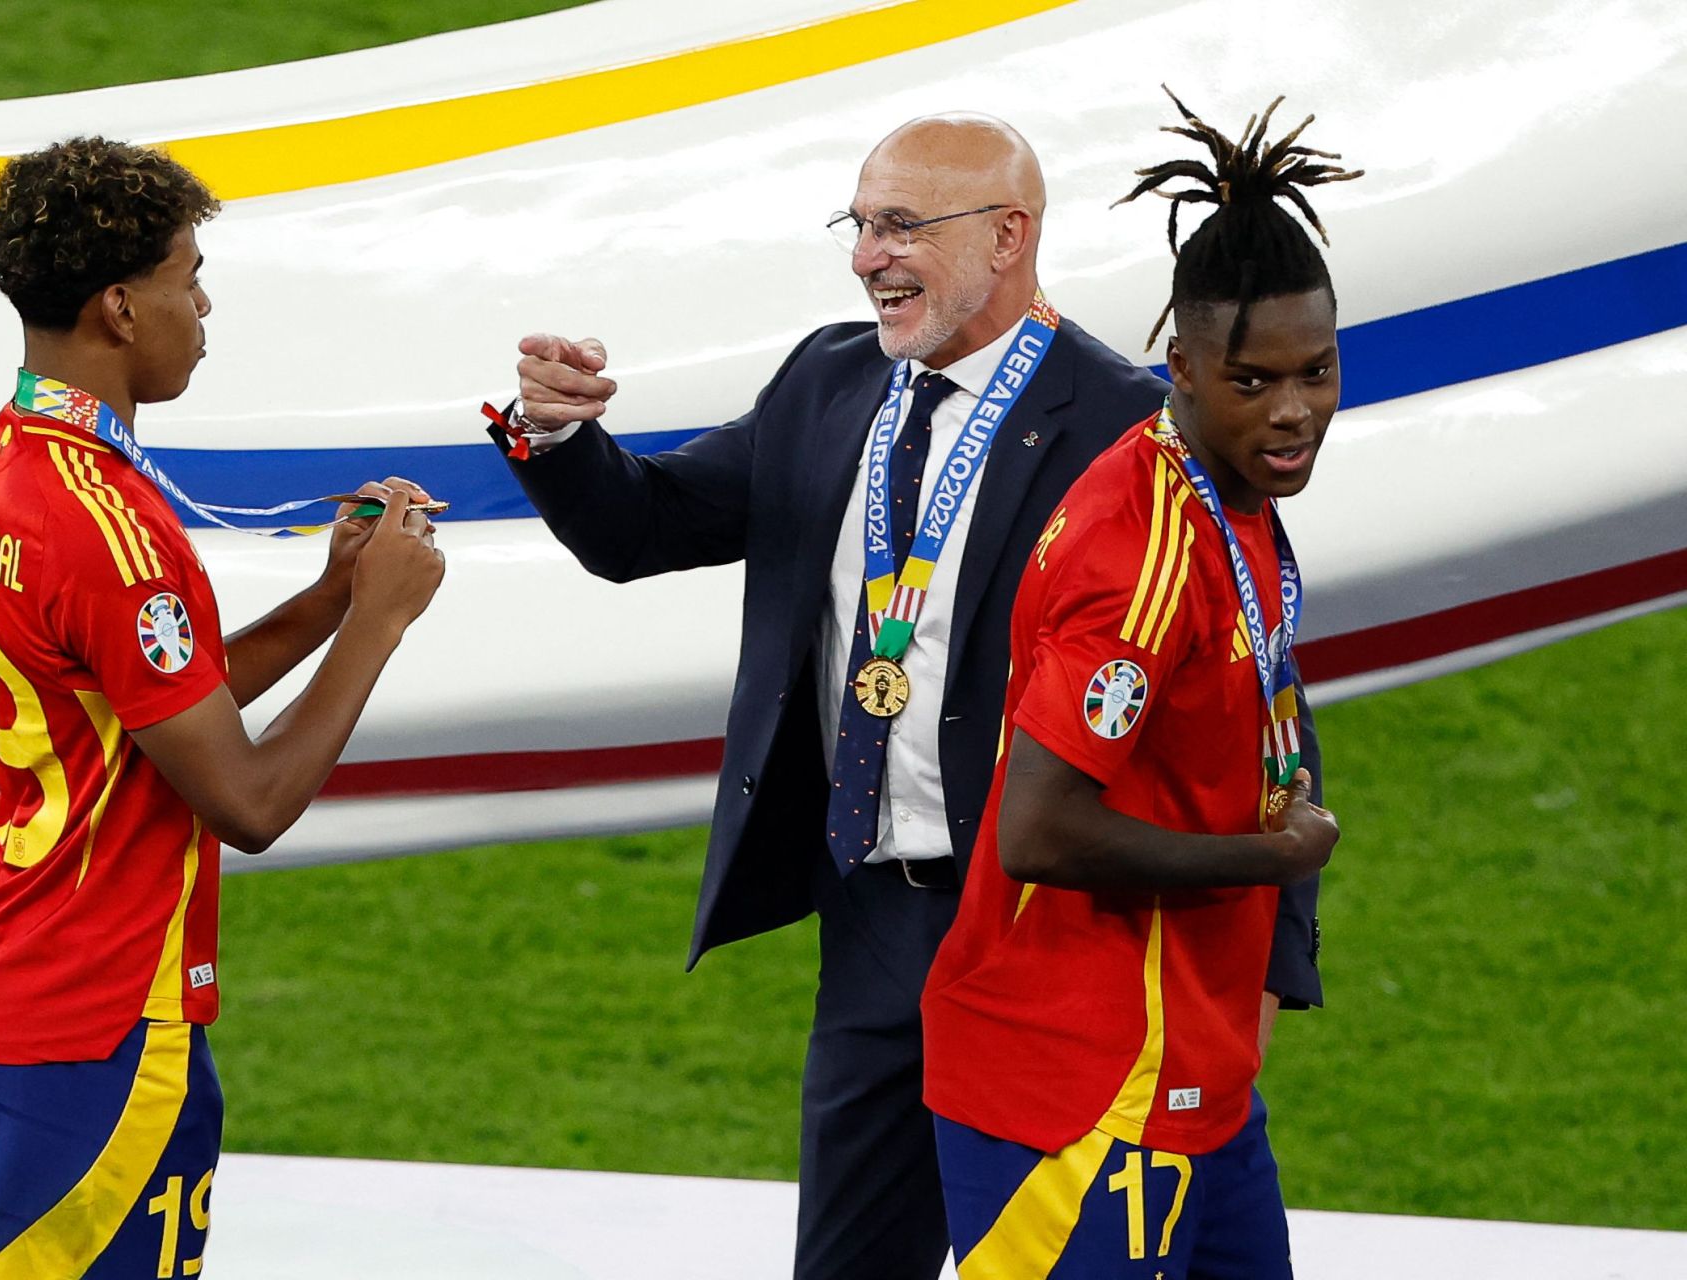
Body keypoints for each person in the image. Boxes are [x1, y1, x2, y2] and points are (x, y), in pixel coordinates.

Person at [496, 113, 1325, 1279]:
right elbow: (646, 526)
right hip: (874, 924)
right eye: (859, 223)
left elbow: (1257, 675)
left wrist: (1276, 961)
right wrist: (560, 434)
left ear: (1007, 236)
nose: (864, 255)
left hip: (1054, 937)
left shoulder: (1128, 424)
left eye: (898, 226)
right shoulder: (830, 381)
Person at [0, 136, 445, 1278]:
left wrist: (326, 597)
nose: (204, 307)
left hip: (12, 977)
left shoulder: (10, 459)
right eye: (187, 276)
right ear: (119, 305)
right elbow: (248, 798)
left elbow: (159, 697)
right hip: (102, 1013)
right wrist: (380, 622)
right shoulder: (111, 526)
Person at [920, 89, 1360, 1277]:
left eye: (1315, 370)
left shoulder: (1234, 496)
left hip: (1196, 1079)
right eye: (1253, 380)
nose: (1293, 412)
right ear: (1182, 366)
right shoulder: (1139, 552)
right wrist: (1267, 861)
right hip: (1077, 1088)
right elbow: (1040, 829)